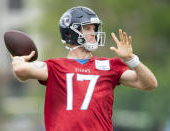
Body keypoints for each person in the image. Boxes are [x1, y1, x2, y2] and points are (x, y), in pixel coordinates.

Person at [10, 6, 157, 131]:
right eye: (87, 28)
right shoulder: (54, 66)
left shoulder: (110, 66)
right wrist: (19, 59)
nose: (93, 33)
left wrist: (131, 60)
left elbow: (150, 84)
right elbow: (21, 71)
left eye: (94, 28)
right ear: (70, 33)